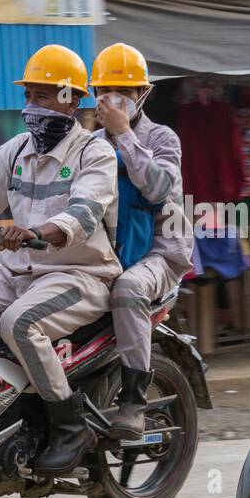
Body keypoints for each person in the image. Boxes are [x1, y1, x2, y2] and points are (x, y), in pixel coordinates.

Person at [0, 44, 120, 474]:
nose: (32, 107)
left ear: (71, 99)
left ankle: (69, 425)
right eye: (29, 96)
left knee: (19, 323)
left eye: (43, 96)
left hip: (78, 274)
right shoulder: (13, 151)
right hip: (15, 271)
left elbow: (83, 213)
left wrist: (36, 232)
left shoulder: (93, 154)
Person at [88, 43, 193, 438]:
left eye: (124, 94)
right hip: (103, 252)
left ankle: (133, 400)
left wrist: (124, 134)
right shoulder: (86, 143)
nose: (113, 101)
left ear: (142, 96)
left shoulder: (163, 139)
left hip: (159, 255)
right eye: (104, 93)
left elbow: (157, 189)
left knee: (129, 289)